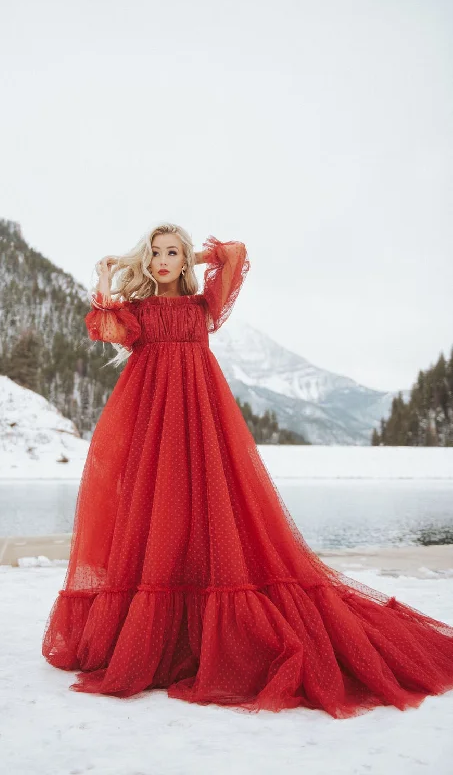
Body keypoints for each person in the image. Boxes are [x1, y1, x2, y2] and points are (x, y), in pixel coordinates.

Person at [42, 223, 453, 718]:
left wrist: (192, 257)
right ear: (146, 262)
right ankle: (164, 639)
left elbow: (235, 254)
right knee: (158, 516)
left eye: (173, 253)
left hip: (203, 422)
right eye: (157, 254)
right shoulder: (141, 313)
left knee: (212, 511)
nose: (164, 261)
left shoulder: (200, 310)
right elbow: (105, 327)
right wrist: (110, 277)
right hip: (154, 428)